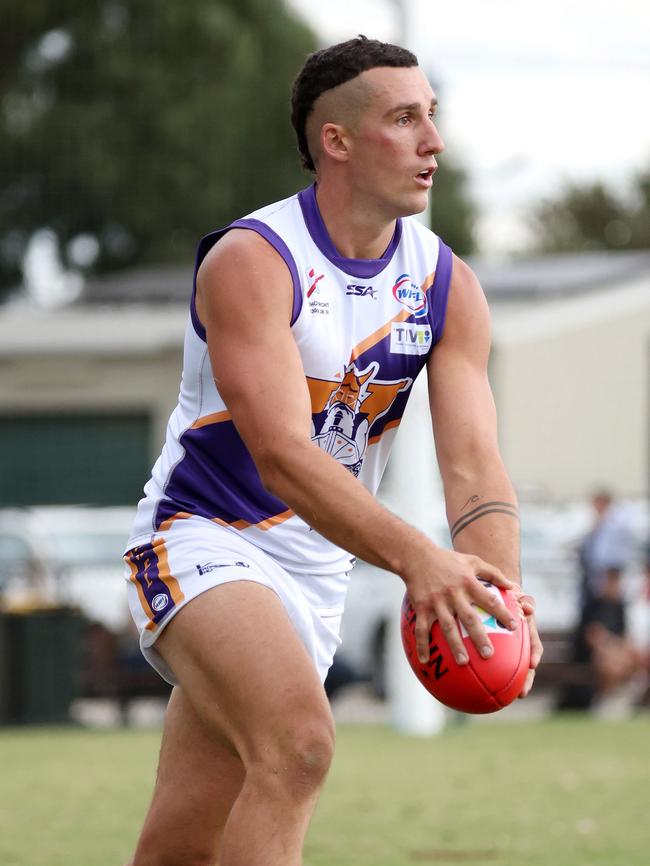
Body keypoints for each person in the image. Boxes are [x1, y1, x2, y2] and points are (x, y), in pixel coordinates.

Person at [122, 36, 542, 866]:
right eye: (404, 118)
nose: (434, 141)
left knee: (181, 846)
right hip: (204, 540)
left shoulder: (446, 283)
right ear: (336, 141)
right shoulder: (254, 260)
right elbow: (279, 454)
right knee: (301, 745)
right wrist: (422, 562)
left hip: (316, 569)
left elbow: (473, 468)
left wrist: (499, 595)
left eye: (433, 115)